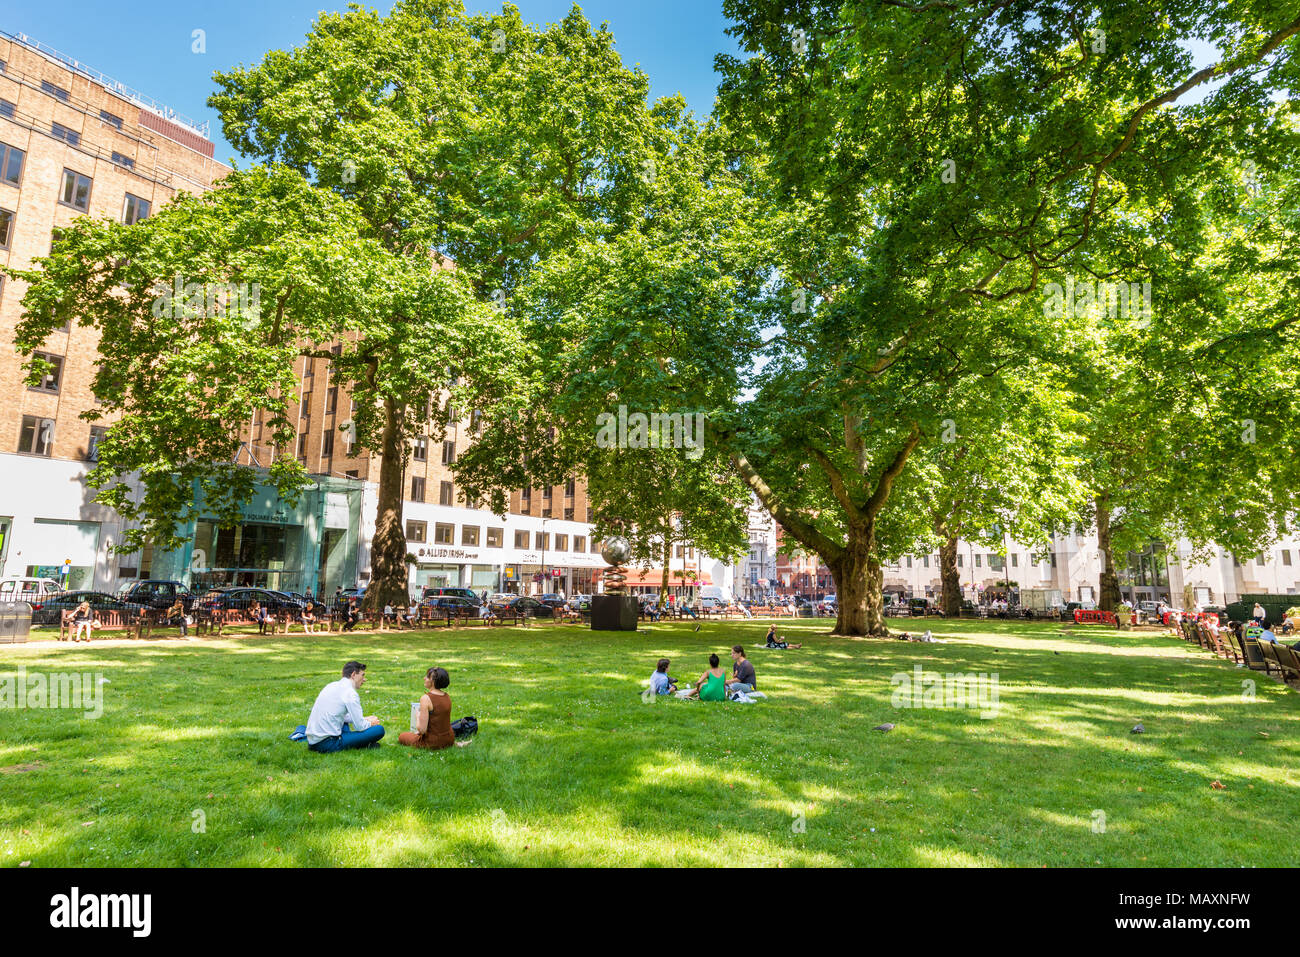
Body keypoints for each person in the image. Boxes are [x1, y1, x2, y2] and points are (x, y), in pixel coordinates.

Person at [304, 661, 385, 753]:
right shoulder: (350, 693)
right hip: (327, 743)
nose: (364, 679)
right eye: (362, 675)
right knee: (379, 730)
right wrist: (371, 723)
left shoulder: (331, 685)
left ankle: (359, 742)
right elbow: (360, 726)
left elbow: (339, 714)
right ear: (353, 674)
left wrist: (365, 718)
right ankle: (361, 743)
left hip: (312, 742)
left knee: (345, 723)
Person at [398, 667, 455, 750]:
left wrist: (418, 716)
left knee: (402, 736)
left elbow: (422, 730)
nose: (424, 678)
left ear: (434, 681)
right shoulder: (447, 696)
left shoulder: (426, 698)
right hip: (449, 740)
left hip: (433, 743)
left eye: (428, 677)